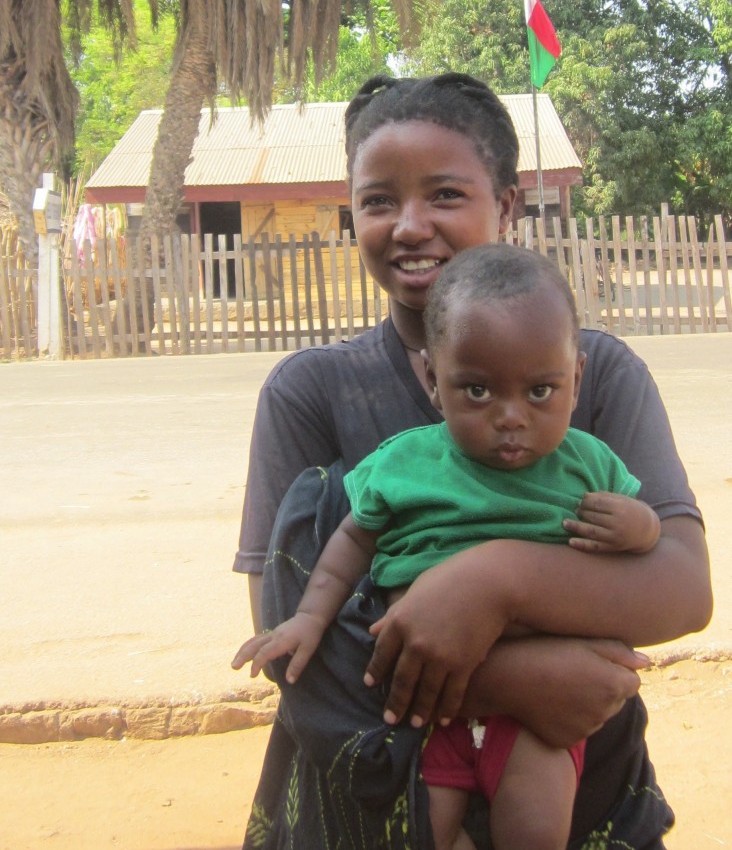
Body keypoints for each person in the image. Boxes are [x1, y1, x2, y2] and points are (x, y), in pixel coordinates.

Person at [232, 73, 712, 849]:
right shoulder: (313, 392)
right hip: (366, 805)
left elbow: (681, 591)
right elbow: (292, 640)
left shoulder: (598, 376)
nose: (409, 225)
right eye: (377, 201)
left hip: (588, 803)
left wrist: (493, 581)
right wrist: (514, 679)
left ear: (510, 204)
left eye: (446, 195)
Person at [234, 243, 662, 850]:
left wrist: (638, 527)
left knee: (537, 831)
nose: (510, 416)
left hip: (539, 719)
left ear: (577, 378)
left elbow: (652, 545)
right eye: (478, 392)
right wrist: (308, 616)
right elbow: (351, 540)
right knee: (418, 832)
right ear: (435, 381)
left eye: (541, 391)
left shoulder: (589, 463)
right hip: (424, 714)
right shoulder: (407, 461)